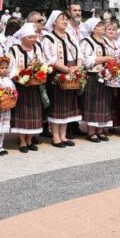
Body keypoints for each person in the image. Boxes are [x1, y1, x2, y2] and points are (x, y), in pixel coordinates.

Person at [42, 10, 81, 147]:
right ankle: (55, 136)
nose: (65, 21)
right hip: (57, 74)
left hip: (72, 72)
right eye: (62, 19)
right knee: (57, 106)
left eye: (66, 19)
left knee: (67, 105)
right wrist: (67, 70)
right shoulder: (48, 38)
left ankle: (63, 135)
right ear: (54, 22)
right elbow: (50, 59)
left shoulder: (70, 36)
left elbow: (79, 53)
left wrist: (77, 67)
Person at [8, 23, 45, 152]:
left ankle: (29, 139)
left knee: (33, 112)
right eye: (30, 37)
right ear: (23, 38)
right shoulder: (14, 49)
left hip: (34, 85)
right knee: (22, 112)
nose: (33, 40)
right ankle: (22, 140)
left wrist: (39, 68)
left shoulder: (37, 48)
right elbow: (10, 67)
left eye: (34, 37)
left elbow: (42, 62)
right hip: (21, 85)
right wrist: (18, 76)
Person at [79, 18, 116, 143]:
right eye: (99, 26)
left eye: (102, 25)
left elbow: (113, 54)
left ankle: (100, 130)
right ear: (93, 29)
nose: (102, 27)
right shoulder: (87, 42)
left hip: (106, 76)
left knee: (104, 103)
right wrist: (105, 58)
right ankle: (91, 132)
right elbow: (87, 61)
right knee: (93, 104)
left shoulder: (106, 40)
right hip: (93, 76)